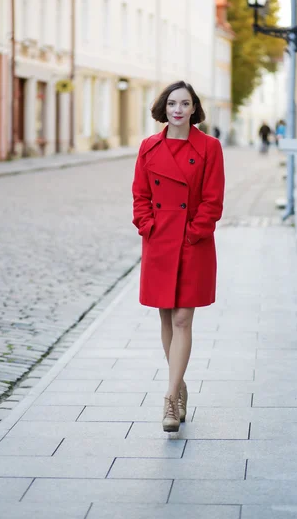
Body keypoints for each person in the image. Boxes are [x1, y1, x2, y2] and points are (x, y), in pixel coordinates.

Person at [132, 81, 225, 432]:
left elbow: (213, 200)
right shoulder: (148, 147)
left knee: (184, 318)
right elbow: (140, 195)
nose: (178, 109)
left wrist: (192, 233)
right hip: (159, 243)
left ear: (194, 109)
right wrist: (148, 227)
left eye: (185, 103)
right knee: (167, 319)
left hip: (193, 243)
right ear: (164, 107)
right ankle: (180, 381)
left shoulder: (210, 148)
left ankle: (170, 398)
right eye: (172, 103)